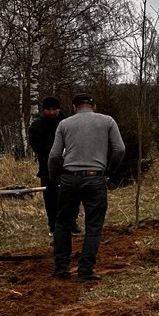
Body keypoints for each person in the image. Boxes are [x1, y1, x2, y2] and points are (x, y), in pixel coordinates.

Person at [48, 93, 126, 282]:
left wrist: (54, 178)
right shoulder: (107, 121)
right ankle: (85, 270)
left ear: (74, 107)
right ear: (94, 106)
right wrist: (109, 170)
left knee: (63, 222)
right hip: (95, 178)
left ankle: (61, 267)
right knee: (93, 226)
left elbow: (54, 156)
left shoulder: (64, 124)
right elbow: (120, 149)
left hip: (69, 179)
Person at [28, 96, 70, 237]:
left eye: (54, 110)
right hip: (47, 167)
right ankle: (53, 225)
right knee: (51, 198)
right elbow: (38, 146)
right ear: (43, 110)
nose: (52, 113)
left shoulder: (67, 122)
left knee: (69, 196)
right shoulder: (37, 126)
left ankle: (70, 222)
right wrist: (55, 152)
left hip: (68, 166)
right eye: (49, 110)